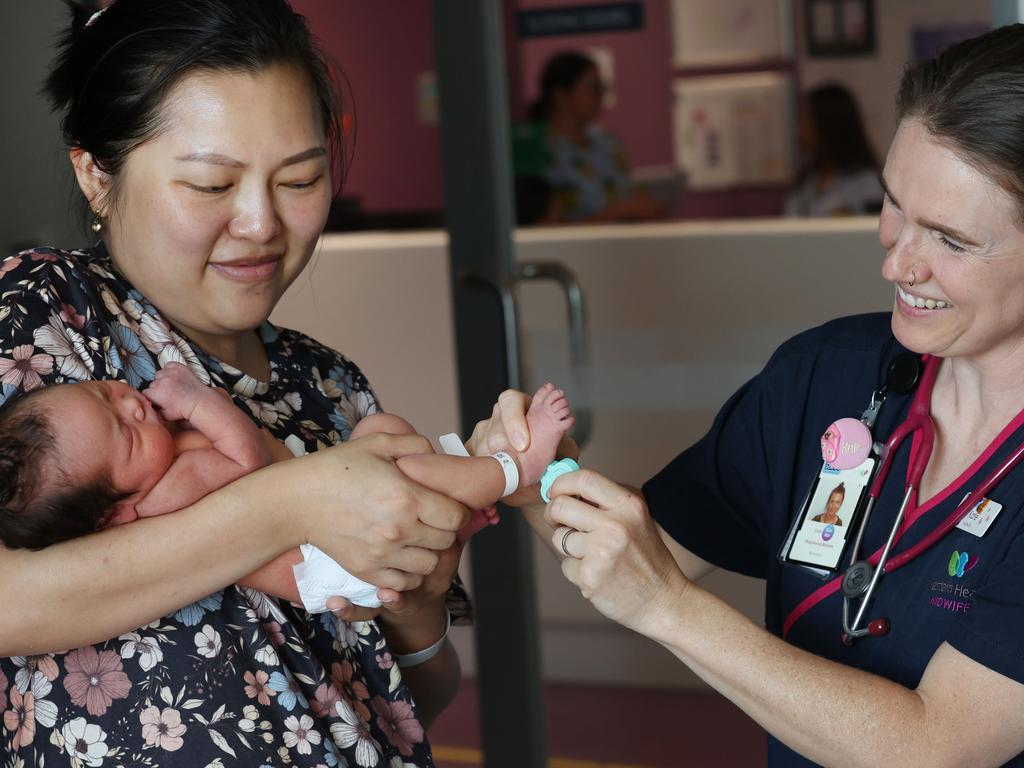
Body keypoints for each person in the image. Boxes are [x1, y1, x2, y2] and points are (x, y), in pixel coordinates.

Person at [0, 1, 538, 763]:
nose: (260, 223)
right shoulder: (45, 309)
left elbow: (414, 699)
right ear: (95, 174)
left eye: (300, 178)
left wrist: (416, 604)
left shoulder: (330, 383)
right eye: (212, 186)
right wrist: (292, 497)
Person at [485, 24, 1024, 767]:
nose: (897, 259)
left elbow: (938, 746)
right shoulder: (827, 375)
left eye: (951, 241)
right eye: (895, 204)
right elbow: (651, 550)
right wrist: (537, 475)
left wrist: (669, 610)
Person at [0, 365, 573, 607]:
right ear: (114, 516)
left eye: (105, 394)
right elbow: (249, 462)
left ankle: (465, 499)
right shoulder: (167, 493)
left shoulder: (151, 472)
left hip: (334, 533)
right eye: (124, 434)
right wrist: (200, 401)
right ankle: (510, 472)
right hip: (326, 562)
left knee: (383, 432)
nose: (131, 403)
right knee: (408, 471)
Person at [524, 50, 664, 224]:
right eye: (593, 88)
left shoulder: (609, 144)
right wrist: (616, 213)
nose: (600, 96)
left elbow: (625, 191)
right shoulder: (538, 152)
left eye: (603, 88)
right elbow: (543, 230)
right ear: (560, 95)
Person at [784, 83, 884, 218]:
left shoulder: (867, 183)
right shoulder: (805, 182)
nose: (798, 130)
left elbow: (871, 233)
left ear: (828, 124)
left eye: (805, 120)